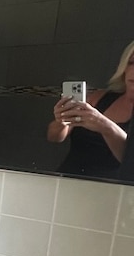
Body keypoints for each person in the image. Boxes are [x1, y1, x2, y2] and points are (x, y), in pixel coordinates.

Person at [47, 40, 134, 179]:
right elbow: (53, 137)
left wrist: (104, 126)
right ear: (124, 68)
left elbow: (130, 161)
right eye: (131, 63)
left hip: (109, 191)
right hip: (65, 180)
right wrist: (61, 121)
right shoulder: (99, 98)